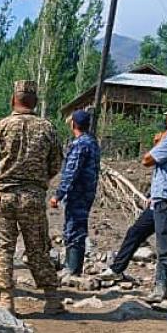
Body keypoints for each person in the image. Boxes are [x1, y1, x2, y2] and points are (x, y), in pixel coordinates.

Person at [0, 80, 64, 316]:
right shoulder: (47, 128)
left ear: (12, 100)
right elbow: (55, 164)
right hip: (33, 197)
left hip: (2, 195)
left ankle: (6, 300)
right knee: (37, 246)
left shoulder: (1, 126)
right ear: (35, 102)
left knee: (2, 247)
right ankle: (52, 298)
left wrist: (1, 175)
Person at [107, 101, 167, 308]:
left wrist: (159, 142)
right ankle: (157, 288)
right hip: (166, 199)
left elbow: (147, 160)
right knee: (138, 231)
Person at [50, 110, 101, 276]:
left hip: (78, 193)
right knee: (77, 226)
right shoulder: (93, 142)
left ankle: (72, 268)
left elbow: (71, 172)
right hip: (87, 192)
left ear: (74, 124)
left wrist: (58, 194)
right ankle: (73, 265)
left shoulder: (80, 144)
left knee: (74, 228)